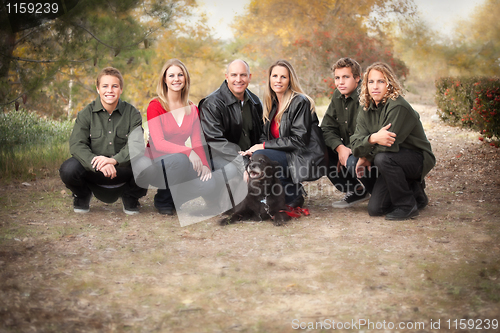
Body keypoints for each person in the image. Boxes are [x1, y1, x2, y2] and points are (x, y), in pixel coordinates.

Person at [350, 62, 435, 220]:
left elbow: (388, 147)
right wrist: (373, 138)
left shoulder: (397, 106)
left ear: (389, 84)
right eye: (371, 82)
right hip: (392, 160)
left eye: (381, 81)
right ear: (366, 85)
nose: (375, 86)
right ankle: (415, 192)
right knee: (375, 209)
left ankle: (406, 205)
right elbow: (355, 144)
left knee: (382, 158)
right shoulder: (365, 108)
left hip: (416, 159)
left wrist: (366, 153)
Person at [59, 67, 147, 215]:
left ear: (121, 89)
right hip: (92, 169)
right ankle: (82, 195)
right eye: (105, 86)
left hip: (122, 169)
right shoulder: (85, 114)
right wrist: (96, 162)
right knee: (68, 169)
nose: (110, 90)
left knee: (147, 165)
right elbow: (76, 145)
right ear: (98, 89)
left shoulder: (132, 113)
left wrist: (114, 161)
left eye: (115, 86)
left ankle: (130, 196)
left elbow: (136, 145)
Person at [242, 59, 327, 207]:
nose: (278, 80)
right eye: (275, 76)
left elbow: (299, 140)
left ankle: (293, 195)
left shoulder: (299, 102)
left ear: (290, 80)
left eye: (283, 77)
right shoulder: (272, 103)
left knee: (261, 155)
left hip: (301, 154)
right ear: (269, 79)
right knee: (256, 155)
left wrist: (262, 146)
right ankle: (285, 193)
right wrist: (255, 148)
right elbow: (264, 135)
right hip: (284, 153)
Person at [142, 59, 215, 216]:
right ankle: (163, 200)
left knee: (209, 182)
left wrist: (204, 164)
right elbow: (159, 143)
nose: (176, 79)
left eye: (180, 75)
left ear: (186, 78)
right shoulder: (155, 106)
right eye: (171, 75)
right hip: (156, 161)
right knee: (180, 160)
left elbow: (196, 141)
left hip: (179, 160)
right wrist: (187, 152)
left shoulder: (192, 108)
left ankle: (177, 198)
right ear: (165, 79)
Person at [198, 59, 264, 211]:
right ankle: (214, 199)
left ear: (249, 77)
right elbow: (215, 142)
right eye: (234, 75)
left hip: (247, 155)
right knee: (232, 170)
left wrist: (256, 155)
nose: (238, 79)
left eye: (243, 75)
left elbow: (262, 133)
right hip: (219, 158)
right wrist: (245, 162)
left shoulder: (254, 102)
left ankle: (252, 200)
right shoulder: (212, 103)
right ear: (226, 76)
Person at [321, 58, 376, 208]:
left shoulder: (367, 97)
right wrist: (340, 148)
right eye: (337, 78)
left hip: (368, 151)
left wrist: (349, 150)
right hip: (347, 149)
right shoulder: (337, 96)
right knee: (319, 146)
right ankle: (356, 189)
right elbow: (326, 127)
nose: (340, 82)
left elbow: (369, 132)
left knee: (353, 161)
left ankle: (377, 190)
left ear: (357, 78)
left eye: (346, 77)